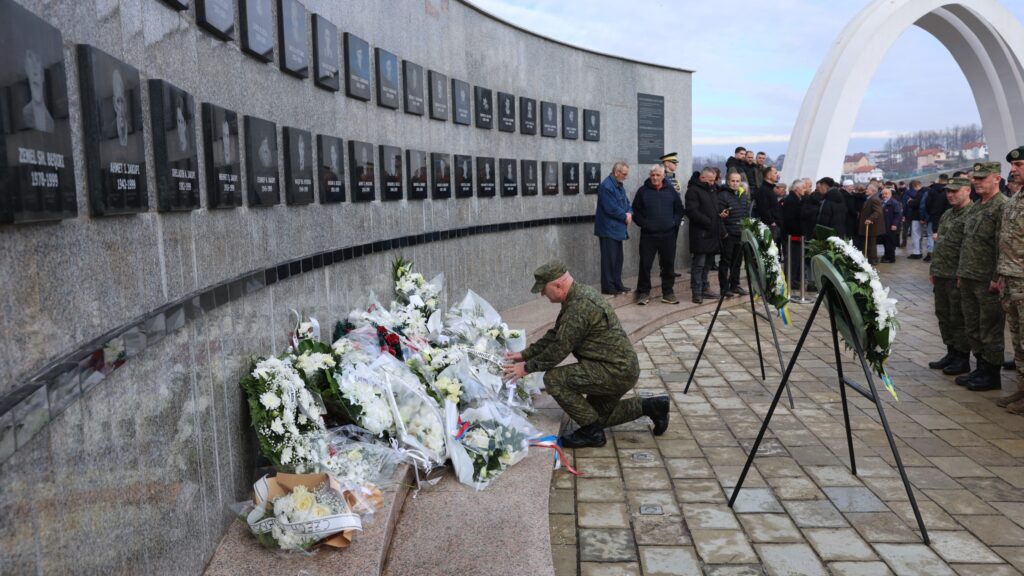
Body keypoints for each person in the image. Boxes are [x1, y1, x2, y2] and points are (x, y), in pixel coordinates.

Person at [502, 261, 670, 448]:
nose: (542, 294)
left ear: (558, 284)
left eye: (543, 289)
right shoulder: (578, 296)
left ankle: (592, 434)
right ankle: (653, 407)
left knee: (553, 379)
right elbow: (555, 335)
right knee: (597, 416)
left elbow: (559, 349)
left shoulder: (579, 306)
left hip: (613, 371)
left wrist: (526, 368)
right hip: (618, 368)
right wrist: (524, 354)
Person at [957, 161, 1008, 392]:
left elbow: (1002, 245)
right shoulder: (977, 207)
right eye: (974, 178)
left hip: (987, 279)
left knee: (990, 327)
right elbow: (967, 243)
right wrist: (960, 273)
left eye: (982, 178)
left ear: (996, 178)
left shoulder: (1002, 207)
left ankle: (991, 373)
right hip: (968, 276)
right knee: (972, 325)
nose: (977, 182)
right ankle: (980, 367)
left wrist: (997, 277)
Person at [929, 177, 974, 375]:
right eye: (948, 191)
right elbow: (940, 245)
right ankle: (951, 351)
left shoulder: (972, 214)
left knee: (959, 318)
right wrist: (933, 269)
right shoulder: (947, 214)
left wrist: (962, 274)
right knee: (944, 315)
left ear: (967, 191)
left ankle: (962, 357)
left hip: (957, 274)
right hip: (941, 273)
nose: (950, 195)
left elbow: (969, 248)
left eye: (955, 191)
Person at [632, 164, 683, 305]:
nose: (655, 178)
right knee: (645, 265)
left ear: (663, 176)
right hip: (649, 236)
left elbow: (679, 209)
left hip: (668, 235)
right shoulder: (642, 191)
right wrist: (645, 224)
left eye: (658, 175)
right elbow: (635, 211)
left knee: (668, 264)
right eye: (652, 175)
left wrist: (674, 223)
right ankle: (643, 293)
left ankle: (668, 293)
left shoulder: (671, 191)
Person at [998, 147, 1024, 414]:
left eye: (1019, 164)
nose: (1014, 169)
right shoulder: (1018, 198)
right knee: (1017, 340)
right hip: (1012, 278)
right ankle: (1022, 388)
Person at [685, 168, 724, 303]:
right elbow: (691, 211)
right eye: (711, 180)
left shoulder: (712, 190)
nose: (713, 183)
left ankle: (704, 289)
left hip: (712, 233)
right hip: (701, 234)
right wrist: (708, 221)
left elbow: (714, 208)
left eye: (714, 180)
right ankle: (696, 292)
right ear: (703, 178)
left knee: (708, 264)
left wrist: (720, 214)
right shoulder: (693, 191)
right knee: (699, 264)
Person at [717, 171, 751, 297]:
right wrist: (724, 233)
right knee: (725, 261)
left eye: (737, 181)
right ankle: (724, 288)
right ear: (728, 181)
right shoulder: (723, 195)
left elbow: (745, 213)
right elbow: (720, 216)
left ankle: (735, 285)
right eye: (733, 181)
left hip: (740, 233)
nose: (735, 183)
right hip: (728, 234)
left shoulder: (743, 194)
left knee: (737, 262)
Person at [924, 174, 952, 261]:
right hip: (947, 216)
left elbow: (927, 204)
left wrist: (930, 213)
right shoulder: (950, 190)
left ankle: (930, 252)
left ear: (939, 180)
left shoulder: (931, 190)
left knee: (930, 235)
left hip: (933, 216)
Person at [858, 183, 884, 264]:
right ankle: (870, 258)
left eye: (868, 189)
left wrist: (870, 219)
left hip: (872, 226)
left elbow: (878, 211)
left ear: (873, 191)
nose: (866, 190)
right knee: (869, 243)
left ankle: (873, 260)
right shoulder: (870, 198)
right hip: (868, 225)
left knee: (872, 243)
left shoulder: (874, 199)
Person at [904, 181, 926, 259]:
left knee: (915, 235)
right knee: (920, 235)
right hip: (923, 217)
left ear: (915, 186)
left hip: (916, 217)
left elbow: (915, 204)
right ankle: (919, 251)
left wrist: (909, 201)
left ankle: (916, 252)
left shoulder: (919, 194)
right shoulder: (926, 192)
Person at [881, 187, 902, 263]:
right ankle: (886, 256)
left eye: (886, 194)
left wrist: (894, 224)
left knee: (891, 243)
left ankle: (891, 258)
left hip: (891, 225)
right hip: (885, 226)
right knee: (886, 242)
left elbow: (898, 214)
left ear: (890, 194)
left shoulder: (894, 202)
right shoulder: (883, 202)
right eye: (883, 194)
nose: (884, 195)